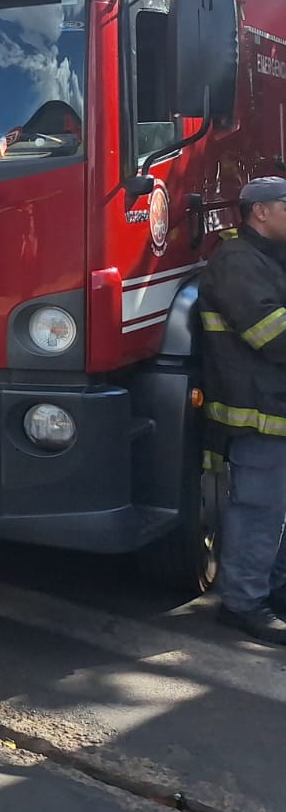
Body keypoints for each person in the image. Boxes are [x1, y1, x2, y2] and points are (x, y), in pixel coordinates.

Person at [198, 176, 286, 643]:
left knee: (277, 513)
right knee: (258, 512)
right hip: (257, 413)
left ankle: (272, 590)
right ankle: (243, 604)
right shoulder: (237, 262)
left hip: (276, 408)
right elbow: (272, 336)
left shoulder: (268, 257)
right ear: (260, 212)